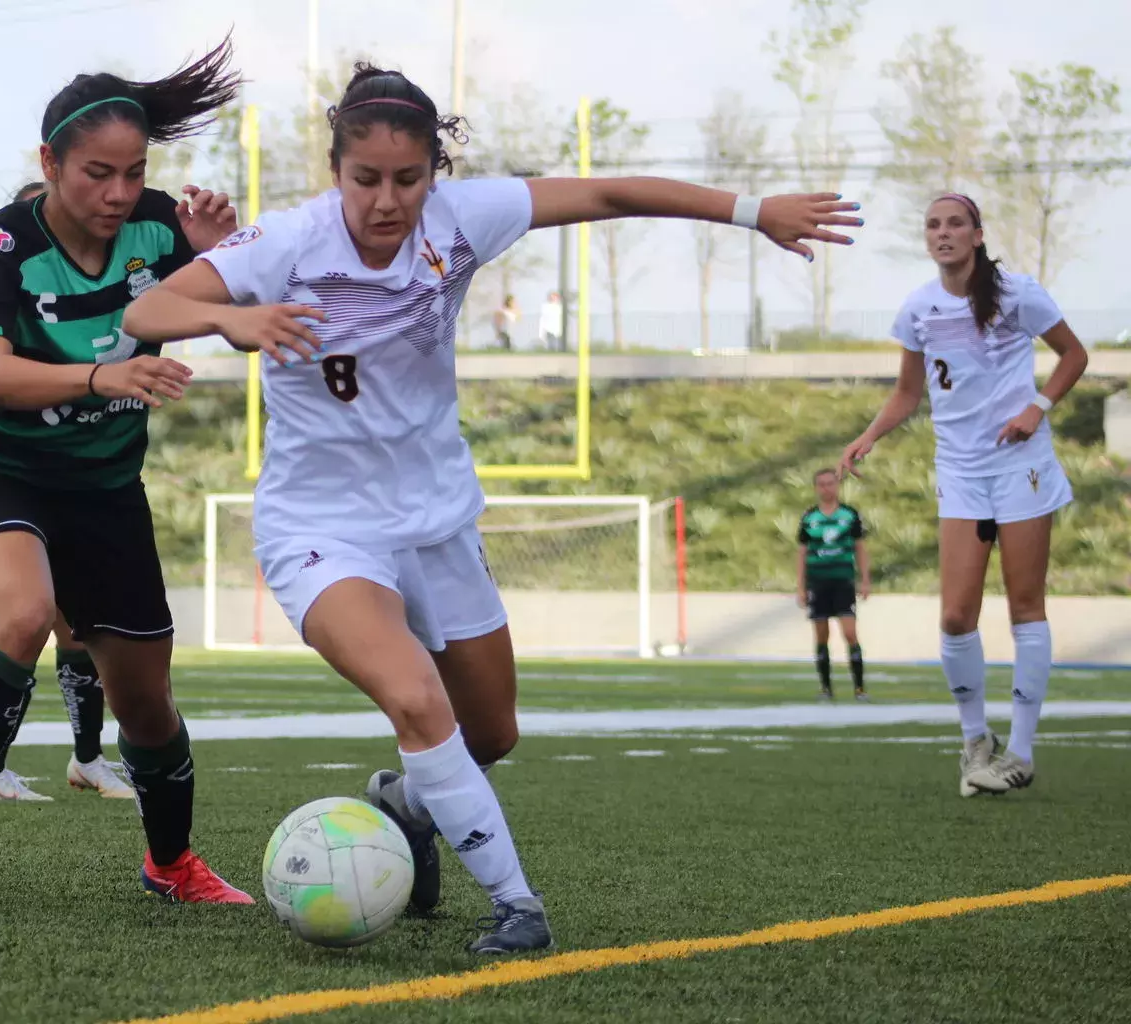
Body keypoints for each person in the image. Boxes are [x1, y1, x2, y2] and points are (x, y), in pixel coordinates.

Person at [123, 62, 859, 954]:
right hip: (322, 529)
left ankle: (402, 803)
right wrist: (233, 320)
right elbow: (151, 308)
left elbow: (607, 192)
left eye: (408, 178)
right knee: (416, 699)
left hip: (437, 523)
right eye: (366, 180)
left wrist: (751, 212)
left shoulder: (464, 219)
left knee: (491, 733)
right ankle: (517, 906)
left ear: (435, 173)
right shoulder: (287, 242)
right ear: (334, 170)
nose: (387, 200)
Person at [0, 39, 253, 913]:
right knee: (18, 617)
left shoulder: (163, 227)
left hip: (103, 491)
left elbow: (243, 329)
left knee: (147, 704)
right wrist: (104, 376)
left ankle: (171, 863)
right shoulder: (2, 246)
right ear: (50, 163)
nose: (119, 193)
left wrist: (228, 255)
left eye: (134, 173)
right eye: (98, 173)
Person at [841, 192, 1088, 798]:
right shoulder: (918, 308)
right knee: (955, 615)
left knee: (1025, 606)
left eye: (956, 224)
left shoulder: (1017, 294)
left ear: (978, 235)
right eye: (933, 224)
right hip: (960, 472)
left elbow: (1074, 355)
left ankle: (1021, 754)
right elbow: (907, 395)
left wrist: (1038, 407)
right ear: (926, 238)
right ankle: (976, 743)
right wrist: (868, 436)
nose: (943, 233)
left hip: (1021, 467)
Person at [0, 180, 136, 804]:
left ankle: (89, 758)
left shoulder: (106, 285)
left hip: (81, 482)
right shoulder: (10, 293)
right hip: (18, 478)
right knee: (25, 620)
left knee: (79, 629)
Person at [796, 468, 870, 702]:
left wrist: (865, 578)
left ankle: (859, 688)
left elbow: (860, 547)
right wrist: (800, 586)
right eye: (822, 484)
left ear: (837, 486)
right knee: (821, 636)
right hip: (818, 583)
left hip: (843, 582)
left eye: (830, 483)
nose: (826, 488)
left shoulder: (849, 515)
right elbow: (802, 552)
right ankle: (826, 689)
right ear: (816, 488)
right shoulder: (809, 518)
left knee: (850, 633)